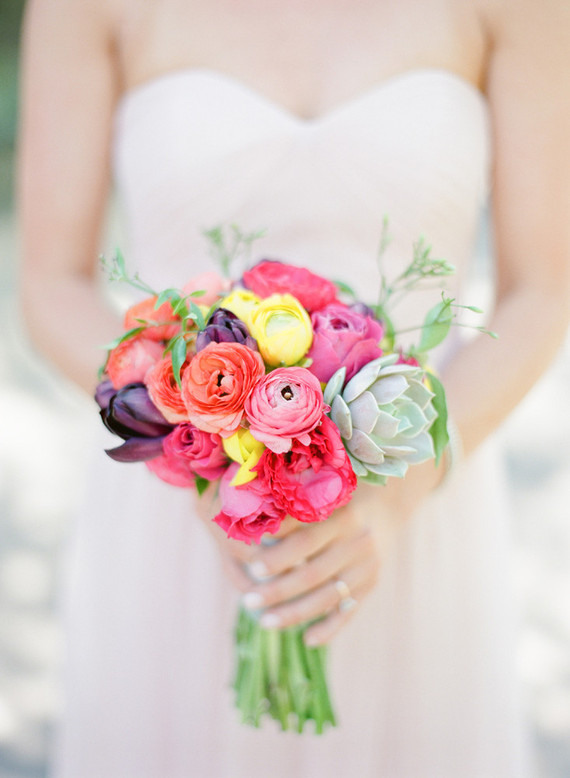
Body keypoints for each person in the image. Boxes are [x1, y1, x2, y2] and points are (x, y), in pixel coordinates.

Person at [18, 0, 570, 776]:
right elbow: (51, 285)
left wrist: (401, 493)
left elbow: (542, 290)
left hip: (409, 519)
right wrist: (201, 452)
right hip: (177, 522)